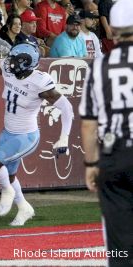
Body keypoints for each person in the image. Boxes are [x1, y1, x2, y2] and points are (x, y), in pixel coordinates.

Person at [0, 17, 74, 226]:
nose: (9, 63)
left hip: (26, 136)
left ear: (26, 64)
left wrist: (64, 138)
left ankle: (7, 191)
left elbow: (66, 108)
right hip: (8, 132)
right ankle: (24, 208)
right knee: (10, 174)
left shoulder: (40, 82)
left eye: (15, 60)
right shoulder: (11, 69)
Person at [79, 0, 133, 265]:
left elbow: (89, 123)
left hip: (114, 154)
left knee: (120, 243)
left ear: (112, 29)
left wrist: (91, 163)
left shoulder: (99, 67)